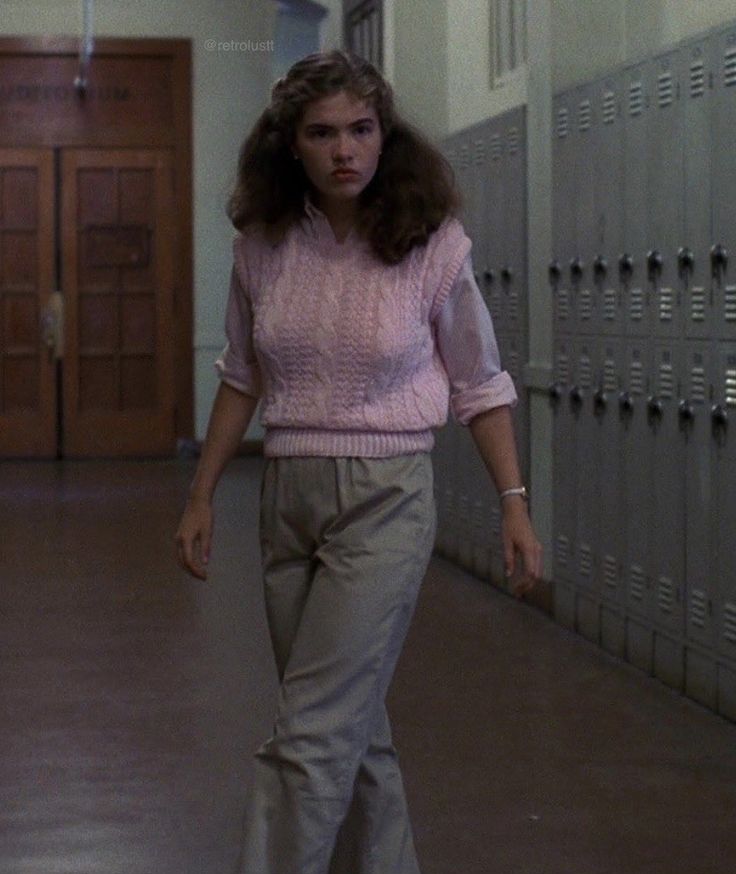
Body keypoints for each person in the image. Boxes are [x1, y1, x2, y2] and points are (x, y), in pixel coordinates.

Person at [175, 48, 542, 874]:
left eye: (362, 129)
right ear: (290, 145)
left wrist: (513, 501)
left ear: (385, 136)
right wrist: (201, 496)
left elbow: (480, 383)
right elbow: (242, 377)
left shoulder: (430, 246)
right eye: (323, 133)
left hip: (385, 501)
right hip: (288, 502)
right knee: (351, 729)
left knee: (308, 736)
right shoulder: (262, 246)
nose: (345, 149)